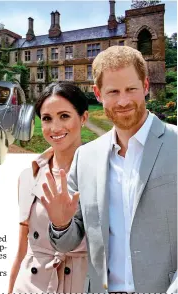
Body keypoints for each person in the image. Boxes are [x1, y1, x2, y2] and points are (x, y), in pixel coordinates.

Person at [42, 46, 177, 293]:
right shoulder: (85, 157)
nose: (123, 101)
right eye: (113, 91)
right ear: (97, 93)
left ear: (146, 86)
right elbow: (68, 241)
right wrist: (61, 224)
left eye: (131, 89)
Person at [8, 82, 89, 293]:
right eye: (47, 119)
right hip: (30, 286)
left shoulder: (106, 172)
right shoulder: (28, 177)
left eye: (64, 116)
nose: (55, 128)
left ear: (83, 118)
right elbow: (23, 249)